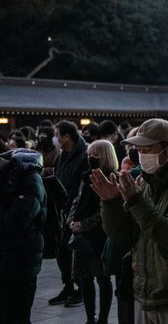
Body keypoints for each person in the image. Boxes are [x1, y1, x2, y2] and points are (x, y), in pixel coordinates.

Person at [92, 118, 168, 323]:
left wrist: (135, 201)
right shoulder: (144, 182)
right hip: (145, 293)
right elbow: (121, 234)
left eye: (147, 149)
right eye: (138, 149)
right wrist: (110, 203)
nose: (141, 155)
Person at [69, 140, 114, 324]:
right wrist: (71, 220)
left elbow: (106, 209)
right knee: (84, 277)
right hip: (81, 234)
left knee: (103, 278)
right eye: (89, 154)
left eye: (95, 154)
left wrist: (84, 224)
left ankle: (102, 318)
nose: (90, 158)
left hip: (100, 235)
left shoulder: (112, 177)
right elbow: (77, 200)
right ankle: (90, 317)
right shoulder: (85, 176)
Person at [0, 149, 46, 324]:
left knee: (15, 315)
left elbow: (14, 222)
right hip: (5, 261)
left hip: (19, 264)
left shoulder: (28, 177)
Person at [50, 120, 89, 307]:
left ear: (67, 136)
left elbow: (82, 186)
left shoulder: (84, 155)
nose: (55, 139)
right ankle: (68, 286)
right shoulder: (61, 155)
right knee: (61, 252)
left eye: (57, 135)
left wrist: (74, 210)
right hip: (62, 209)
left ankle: (80, 290)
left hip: (76, 210)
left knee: (73, 252)